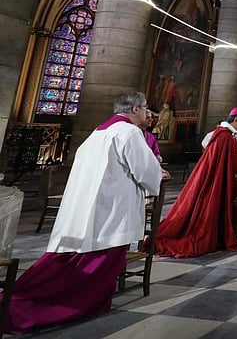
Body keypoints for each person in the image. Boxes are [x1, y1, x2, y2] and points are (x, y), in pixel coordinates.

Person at [2, 91, 164, 334]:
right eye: (144, 108)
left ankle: (20, 298)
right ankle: (39, 308)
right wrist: (158, 176)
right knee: (93, 267)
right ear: (135, 110)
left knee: (66, 265)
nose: (146, 113)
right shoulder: (129, 132)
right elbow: (146, 172)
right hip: (109, 214)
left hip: (83, 210)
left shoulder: (98, 132)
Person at [155, 107, 237, 257]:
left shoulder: (218, 133)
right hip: (215, 181)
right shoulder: (225, 136)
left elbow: (211, 144)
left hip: (209, 178)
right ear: (236, 120)